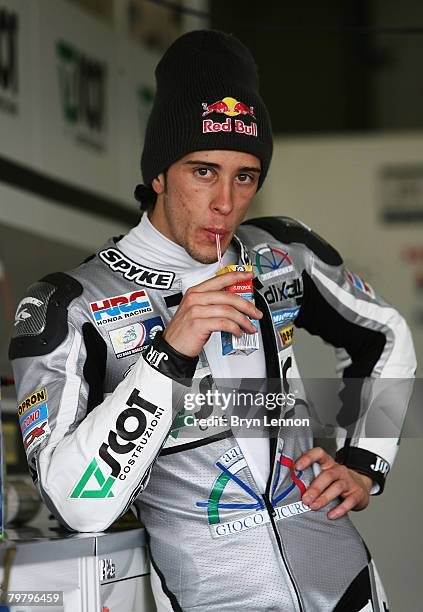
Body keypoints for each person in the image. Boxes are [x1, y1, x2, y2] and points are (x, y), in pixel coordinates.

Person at [10, 30, 416, 612]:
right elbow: (78, 506)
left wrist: (363, 462)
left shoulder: (282, 255)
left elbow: (387, 337)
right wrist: (168, 355)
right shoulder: (69, 306)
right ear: (158, 173)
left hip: (348, 584)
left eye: (245, 175)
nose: (226, 201)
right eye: (203, 171)